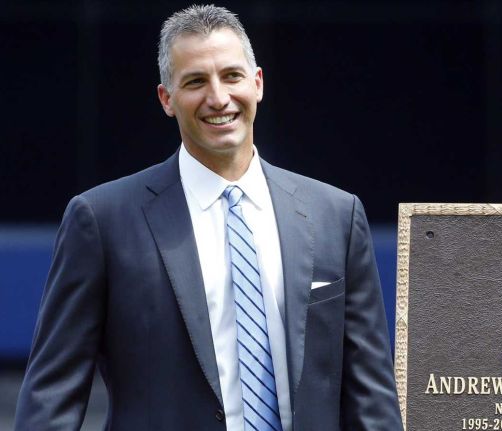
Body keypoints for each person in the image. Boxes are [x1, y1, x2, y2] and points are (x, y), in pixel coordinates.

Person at [15, 5, 402, 431]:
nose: (218, 98)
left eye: (232, 76)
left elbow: (373, 401)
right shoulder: (101, 220)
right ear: (167, 99)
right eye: (196, 81)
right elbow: (51, 400)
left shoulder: (336, 215)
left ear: (257, 84)